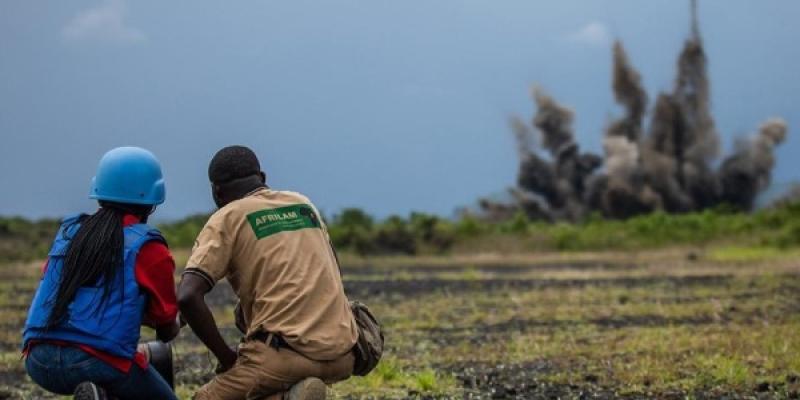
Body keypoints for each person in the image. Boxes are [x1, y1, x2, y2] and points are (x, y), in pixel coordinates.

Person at [178, 145, 357, 400]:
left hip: (283, 357)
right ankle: (291, 395)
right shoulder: (303, 204)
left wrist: (227, 358)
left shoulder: (227, 217)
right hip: (342, 352)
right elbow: (333, 270)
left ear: (217, 192)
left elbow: (187, 296)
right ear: (262, 178)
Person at [22, 147, 181, 400]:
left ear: (99, 190)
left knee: (126, 362)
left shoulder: (69, 233)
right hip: (96, 362)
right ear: (153, 197)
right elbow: (166, 329)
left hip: (38, 360)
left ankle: (98, 395)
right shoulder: (149, 248)